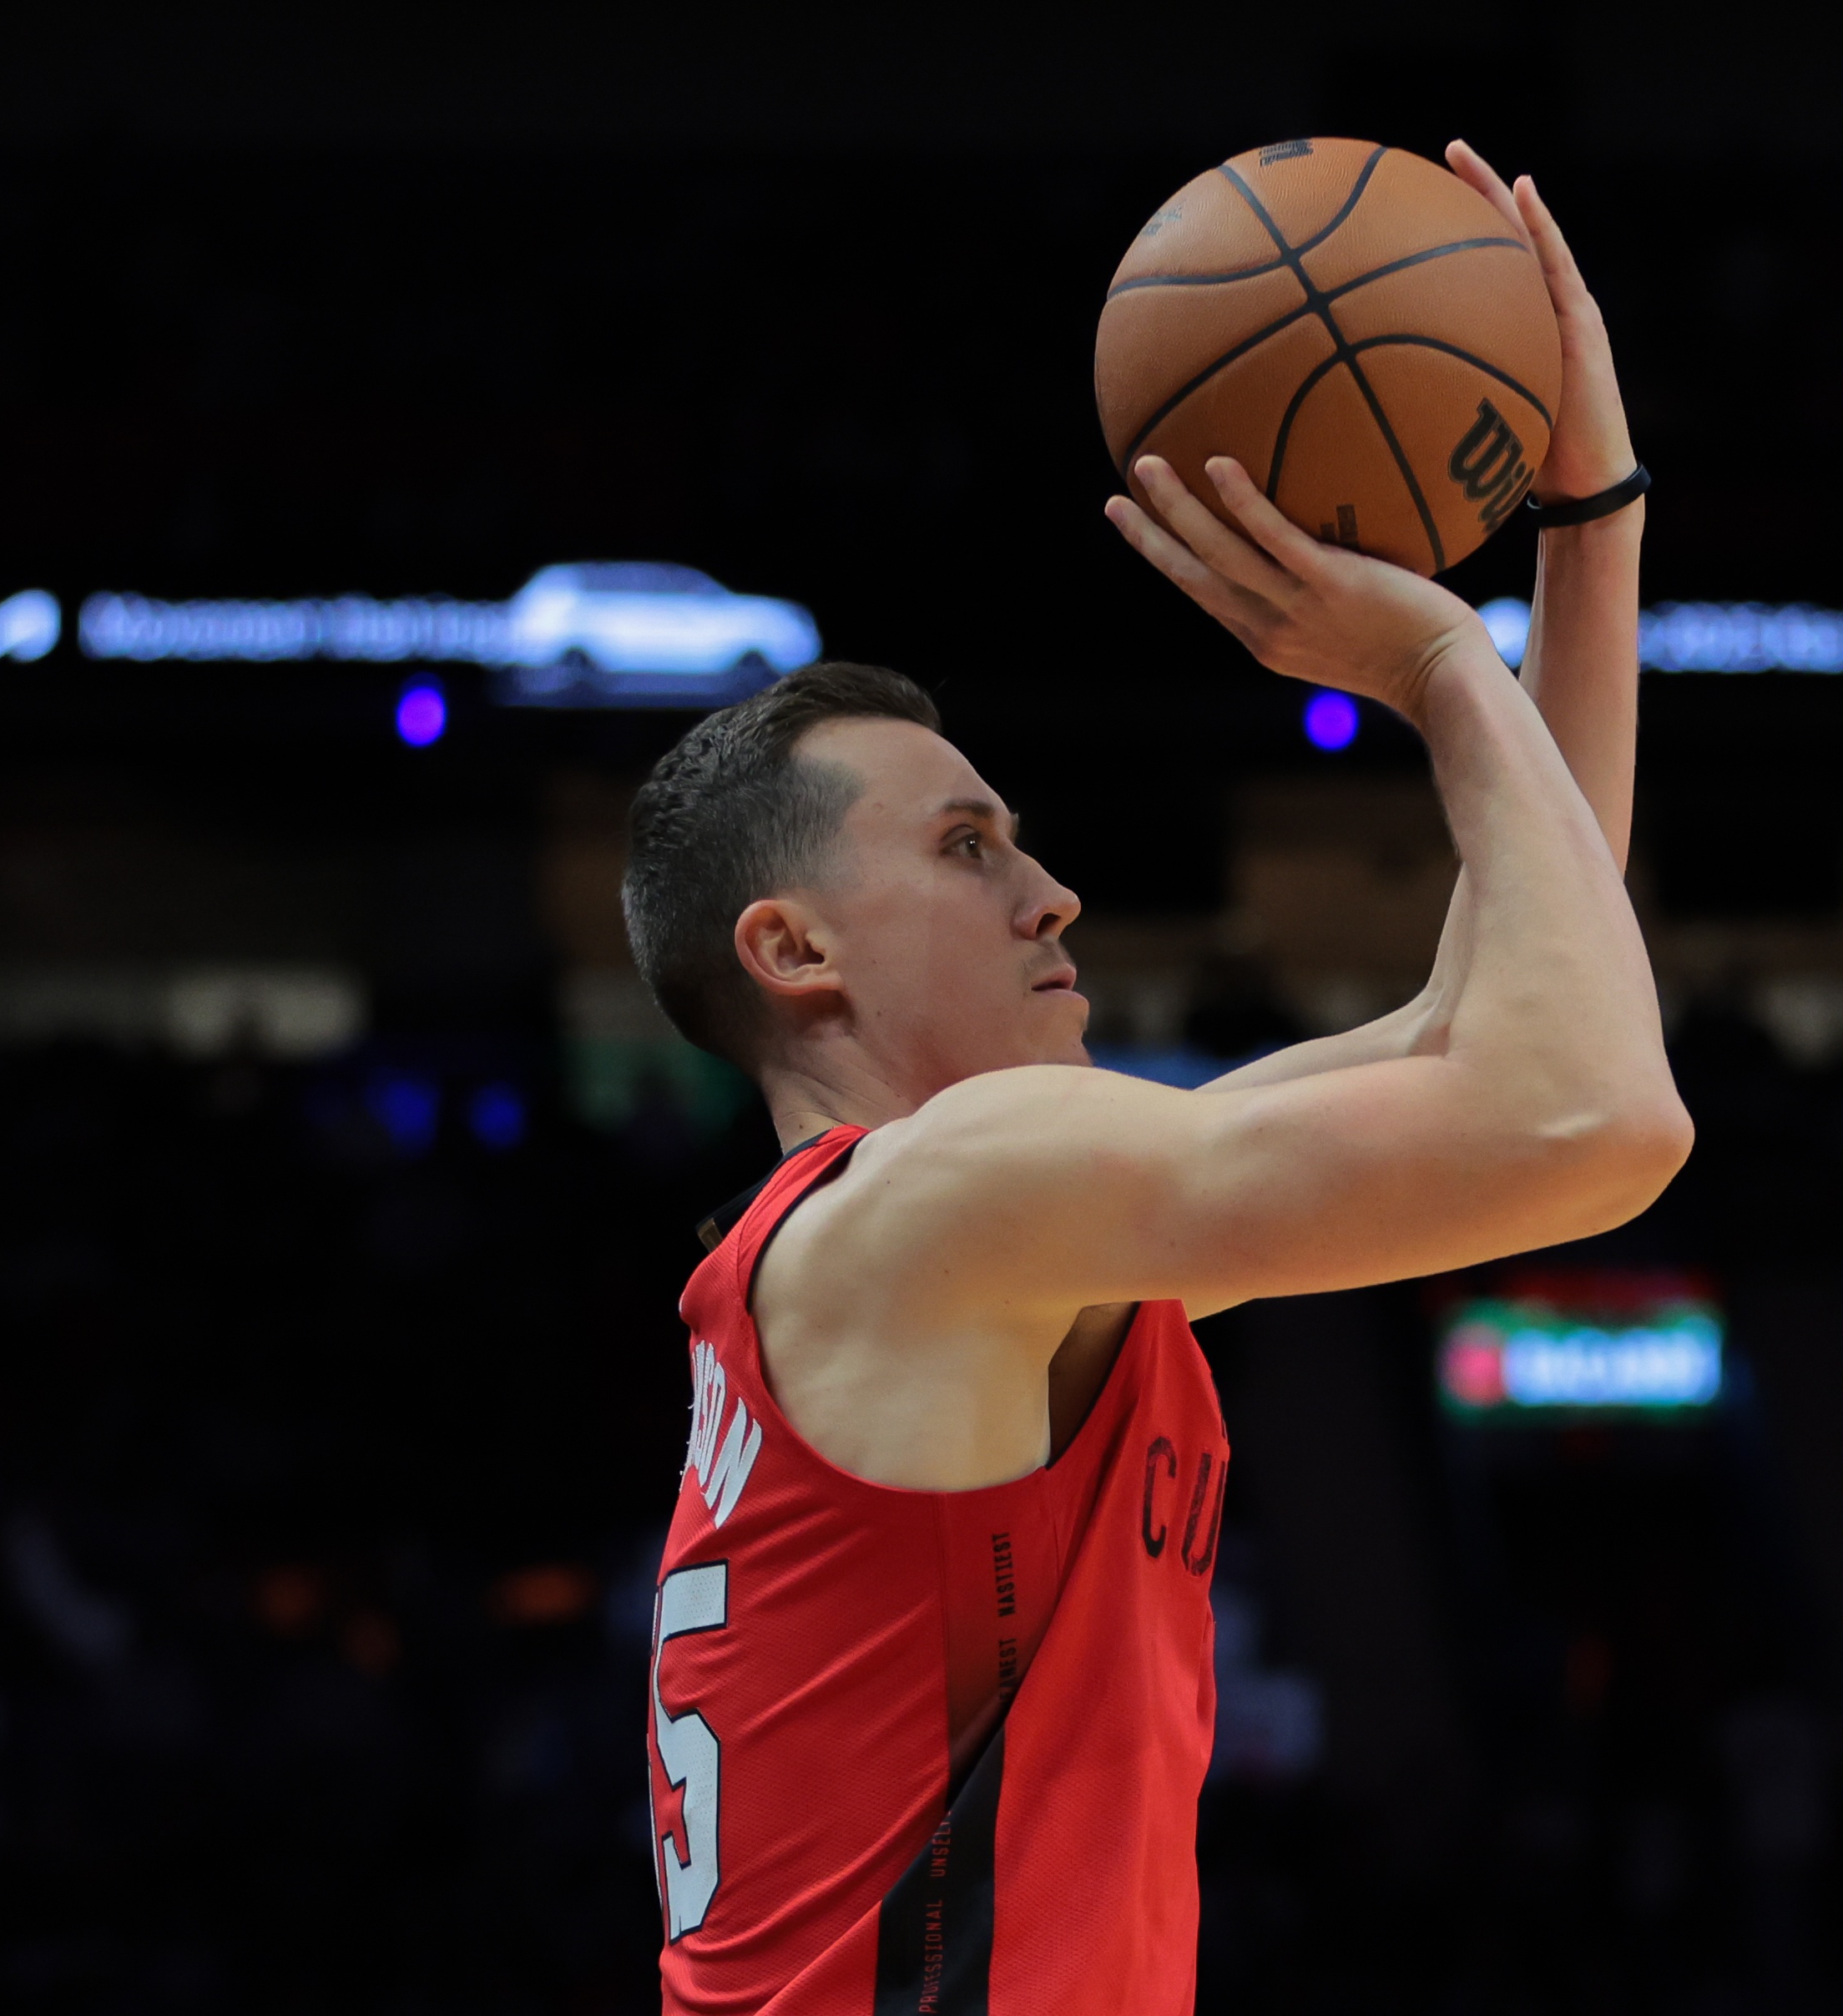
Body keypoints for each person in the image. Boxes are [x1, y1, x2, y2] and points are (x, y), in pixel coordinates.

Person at [625, 146, 1684, 2016]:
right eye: (965, 848)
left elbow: (1507, 1006)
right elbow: (1593, 1117)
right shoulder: (947, 1199)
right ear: (792, 949)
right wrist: (1440, 659)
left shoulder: (973, 1238)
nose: (1051, 892)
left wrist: (1587, 526)